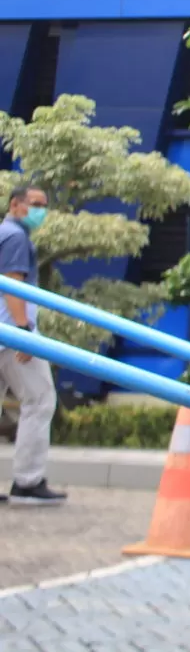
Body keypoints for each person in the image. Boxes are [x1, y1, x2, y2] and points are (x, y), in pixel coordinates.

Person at [0, 184, 67, 505]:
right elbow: (13, 286)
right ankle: (27, 482)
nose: (41, 210)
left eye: (45, 205)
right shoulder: (15, 237)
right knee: (40, 399)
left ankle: (26, 482)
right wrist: (24, 331)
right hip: (12, 334)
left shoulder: (4, 232)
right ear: (15, 204)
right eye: (35, 204)